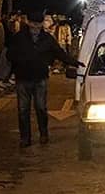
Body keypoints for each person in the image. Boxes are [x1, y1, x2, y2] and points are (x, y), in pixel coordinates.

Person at [7, 10, 80, 147]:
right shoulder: (19, 37)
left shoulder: (47, 38)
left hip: (40, 77)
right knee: (23, 109)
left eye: (38, 24)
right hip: (23, 77)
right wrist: (20, 61)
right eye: (33, 24)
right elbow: (10, 54)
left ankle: (43, 133)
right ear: (28, 22)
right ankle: (25, 138)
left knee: (40, 107)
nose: (35, 27)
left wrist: (75, 63)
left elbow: (59, 53)